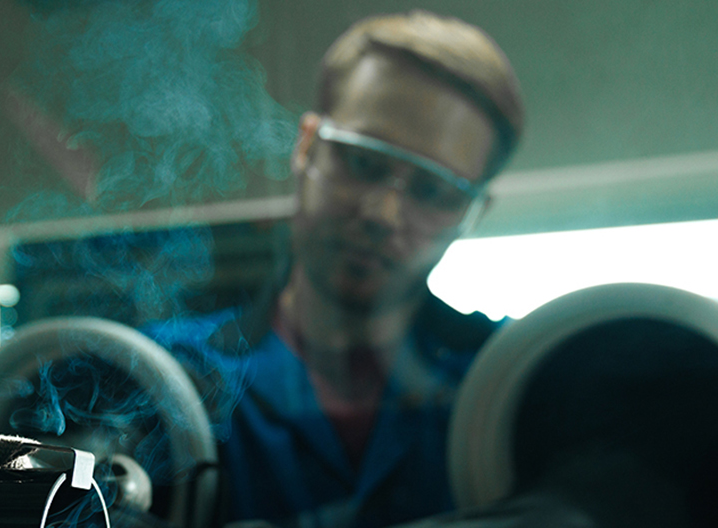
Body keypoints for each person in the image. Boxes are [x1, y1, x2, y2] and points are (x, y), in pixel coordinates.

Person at [142, 10, 526, 528]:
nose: (382, 215)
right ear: (307, 145)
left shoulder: (518, 384)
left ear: (472, 215)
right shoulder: (159, 379)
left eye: (434, 191)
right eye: (363, 163)